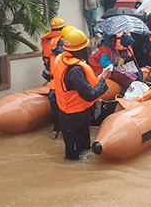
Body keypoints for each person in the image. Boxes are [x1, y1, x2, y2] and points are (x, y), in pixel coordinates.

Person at [52, 28, 110, 160]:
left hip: (74, 112)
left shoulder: (62, 59)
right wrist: (103, 81)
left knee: (83, 150)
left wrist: (99, 78)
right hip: (73, 116)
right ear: (79, 50)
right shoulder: (75, 70)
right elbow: (89, 94)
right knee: (74, 155)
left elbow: (82, 85)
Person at [40, 17, 66, 138]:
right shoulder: (62, 40)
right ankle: (61, 127)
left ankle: (57, 128)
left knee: (53, 99)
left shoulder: (46, 40)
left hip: (52, 76)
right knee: (59, 100)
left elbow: (44, 57)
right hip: (61, 75)